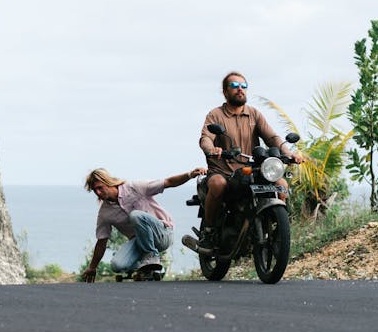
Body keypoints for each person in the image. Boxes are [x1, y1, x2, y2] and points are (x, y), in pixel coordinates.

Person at [196, 71, 304, 252]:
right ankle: (209, 231)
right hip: (224, 170)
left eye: (243, 86)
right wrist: (211, 149)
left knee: (281, 183)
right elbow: (206, 137)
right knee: (217, 184)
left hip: (251, 170)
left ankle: (277, 230)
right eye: (234, 86)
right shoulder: (215, 115)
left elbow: (272, 137)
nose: (240, 90)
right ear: (225, 92)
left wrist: (288, 153)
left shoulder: (254, 114)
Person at [81, 166, 207, 283]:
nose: (98, 193)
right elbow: (101, 241)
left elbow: (168, 182)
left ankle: (151, 257)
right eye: (94, 190)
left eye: (100, 188)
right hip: (139, 242)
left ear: (108, 183)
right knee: (117, 265)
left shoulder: (134, 187)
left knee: (135, 215)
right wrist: (92, 267)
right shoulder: (105, 213)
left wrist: (190, 174)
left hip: (162, 234)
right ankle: (148, 268)